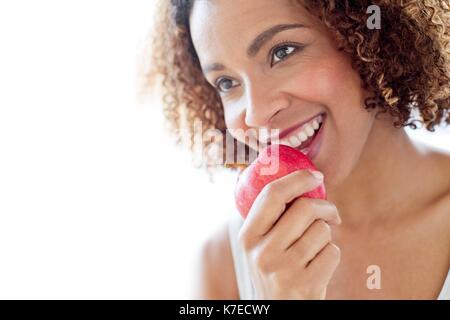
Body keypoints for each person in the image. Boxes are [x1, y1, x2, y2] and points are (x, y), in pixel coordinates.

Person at [146, 0, 450, 299]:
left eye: (282, 52)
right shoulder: (222, 265)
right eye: (226, 82)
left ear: (372, 40)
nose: (256, 114)